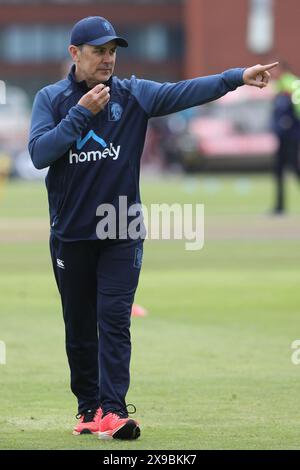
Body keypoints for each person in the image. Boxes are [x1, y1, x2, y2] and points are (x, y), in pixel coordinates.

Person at [28, 16, 278, 440]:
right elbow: (39, 153)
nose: (108, 59)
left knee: (114, 318)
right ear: (75, 53)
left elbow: (184, 92)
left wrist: (236, 77)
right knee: (79, 326)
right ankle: (88, 409)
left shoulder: (133, 94)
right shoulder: (50, 99)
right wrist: (80, 114)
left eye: (113, 51)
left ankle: (114, 410)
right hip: (71, 234)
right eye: (99, 51)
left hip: (121, 229)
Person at [271, 61, 300, 214]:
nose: (272, 73)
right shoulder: (279, 85)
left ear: (282, 69)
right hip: (282, 136)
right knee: (278, 170)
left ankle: (279, 206)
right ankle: (279, 207)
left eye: (274, 69)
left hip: (292, 136)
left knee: (294, 168)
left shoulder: (292, 84)